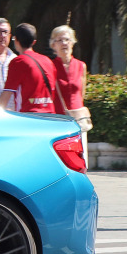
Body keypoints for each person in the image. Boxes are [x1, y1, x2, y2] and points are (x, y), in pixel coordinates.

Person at [0, 23, 59, 114]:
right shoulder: (48, 61)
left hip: (29, 118)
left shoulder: (18, 62)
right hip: (50, 117)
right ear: (34, 42)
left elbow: (6, 95)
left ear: (16, 40)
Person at [49, 24, 89, 162]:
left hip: (78, 121)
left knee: (80, 160)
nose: (64, 43)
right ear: (53, 45)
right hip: (59, 120)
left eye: (67, 39)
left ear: (72, 42)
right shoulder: (50, 66)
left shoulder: (81, 66)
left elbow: (81, 94)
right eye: (59, 40)